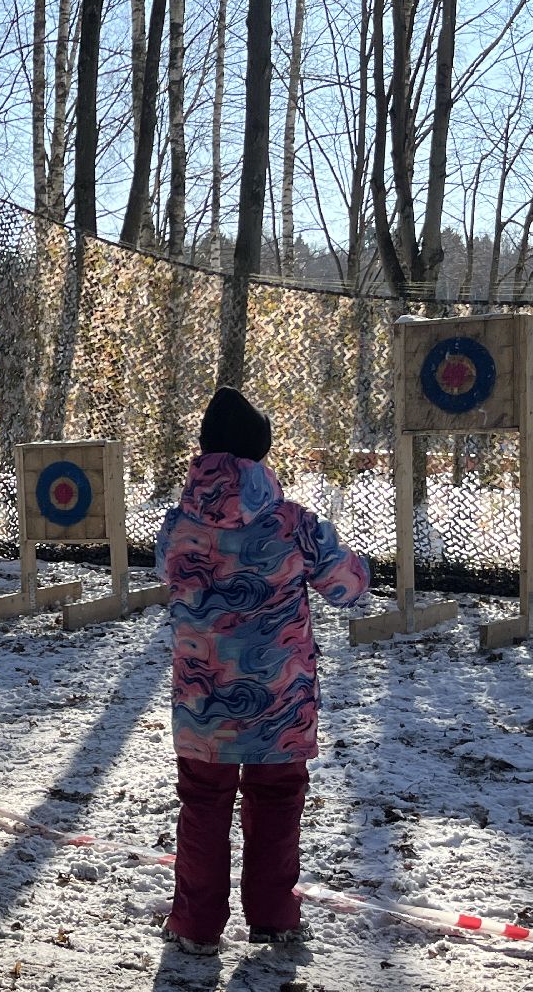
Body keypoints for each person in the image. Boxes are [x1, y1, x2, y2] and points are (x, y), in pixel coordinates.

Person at [154, 386, 370, 953]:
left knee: (202, 803)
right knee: (275, 802)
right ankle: (275, 915)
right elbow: (348, 588)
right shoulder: (294, 523)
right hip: (281, 702)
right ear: (260, 457)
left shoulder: (177, 525)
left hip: (203, 703)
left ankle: (196, 925)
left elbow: (166, 576)